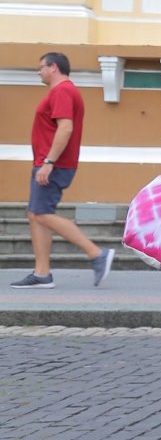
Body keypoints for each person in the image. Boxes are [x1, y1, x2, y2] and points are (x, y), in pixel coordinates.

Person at [12, 52, 114, 290]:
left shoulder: (63, 91)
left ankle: (96, 253)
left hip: (53, 164)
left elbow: (65, 128)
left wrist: (48, 162)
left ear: (54, 67)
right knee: (36, 213)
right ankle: (42, 273)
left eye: (41, 67)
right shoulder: (64, 91)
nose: (39, 71)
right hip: (49, 163)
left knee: (41, 213)